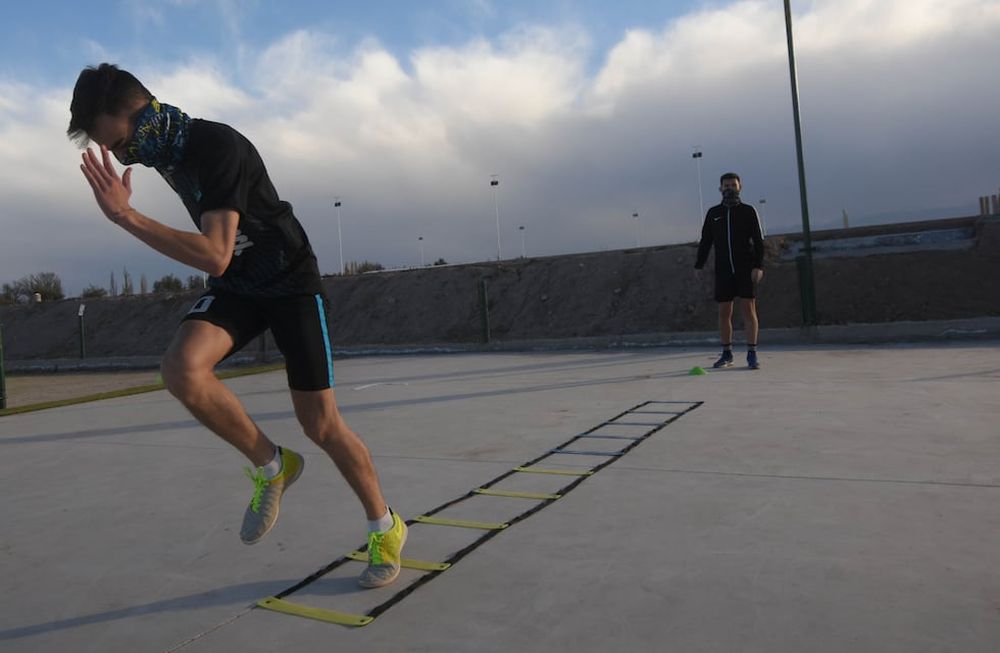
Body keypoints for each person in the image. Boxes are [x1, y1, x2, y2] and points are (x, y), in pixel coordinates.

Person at [68, 63, 406, 588]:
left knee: (321, 425)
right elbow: (225, 266)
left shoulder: (215, 145)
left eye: (114, 141)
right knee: (181, 369)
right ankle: (273, 466)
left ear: (135, 113)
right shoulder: (164, 147)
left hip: (289, 283)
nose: (116, 155)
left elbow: (214, 254)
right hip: (240, 289)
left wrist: (126, 217)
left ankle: (384, 526)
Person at [694, 172, 765, 370]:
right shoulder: (713, 213)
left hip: (745, 268)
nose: (729, 189)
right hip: (724, 270)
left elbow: (759, 242)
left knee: (748, 309)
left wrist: (759, 266)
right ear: (720, 189)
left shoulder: (748, 211)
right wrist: (699, 264)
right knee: (724, 311)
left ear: (740, 187)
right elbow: (706, 241)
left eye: (733, 185)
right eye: (726, 186)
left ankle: (752, 353)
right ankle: (727, 353)